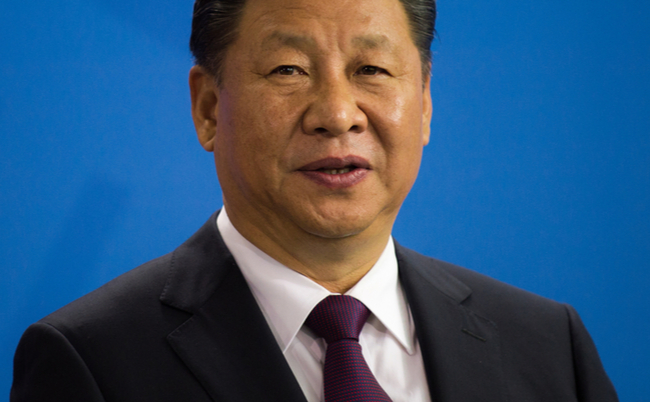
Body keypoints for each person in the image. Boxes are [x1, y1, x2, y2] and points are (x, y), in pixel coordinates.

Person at [11, 0, 618, 400]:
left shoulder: (548, 346)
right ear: (209, 108)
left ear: (426, 102)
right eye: (288, 69)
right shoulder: (88, 361)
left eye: (372, 69)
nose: (337, 114)